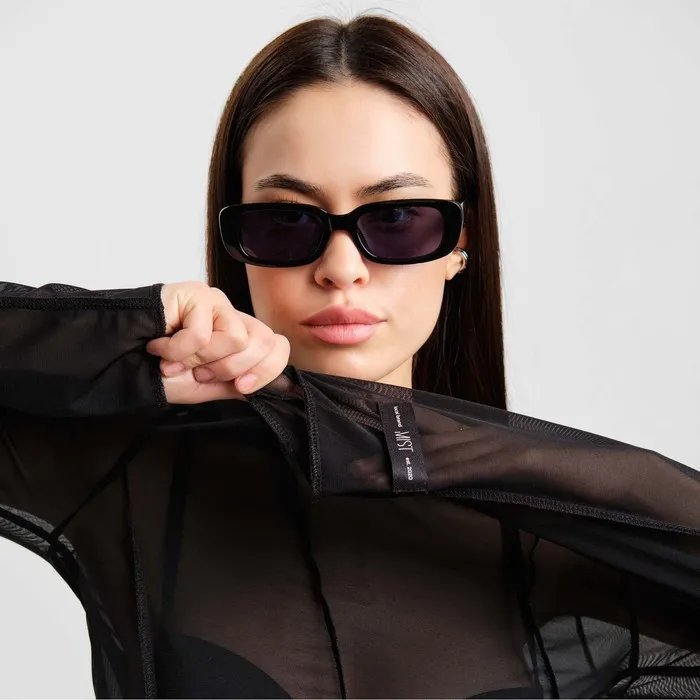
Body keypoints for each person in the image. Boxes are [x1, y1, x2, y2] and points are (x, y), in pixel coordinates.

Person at [2, 12, 700, 700]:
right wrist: (133, 334)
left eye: (396, 218)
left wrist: (385, 440)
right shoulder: (127, 469)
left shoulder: (562, 534)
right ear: (238, 246)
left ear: (461, 243)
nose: (341, 269)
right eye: (286, 219)